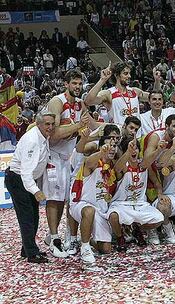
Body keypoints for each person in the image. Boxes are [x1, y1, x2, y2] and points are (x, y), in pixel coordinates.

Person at [43, 70, 96, 258]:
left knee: (69, 198)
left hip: (70, 156)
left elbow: (92, 126)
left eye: (79, 84)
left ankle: (58, 235)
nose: (77, 87)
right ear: (66, 84)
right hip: (53, 155)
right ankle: (55, 239)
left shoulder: (80, 104)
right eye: (74, 83)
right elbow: (54, 133)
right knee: (55, 198)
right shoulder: (57, 102)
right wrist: (78, 126)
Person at [5, 112, 55, 263]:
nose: (51, 127)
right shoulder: (32, 141)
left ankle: (27, 249)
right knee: (27, 217)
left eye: (52, 124)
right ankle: (32, 254)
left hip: (27, 180)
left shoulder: (43, 136)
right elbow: (26, 172)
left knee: (33, 216)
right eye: (47, 124)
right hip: (18, 179)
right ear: (38, 124)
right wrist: (36, 191)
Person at [69, 137, 118, 270]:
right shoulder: (92, 163)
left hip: (101, 209)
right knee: (89, 210)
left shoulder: (111, 167)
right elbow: (89, 162)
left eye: (115, 145)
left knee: (106, 249)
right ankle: (85, 248)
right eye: (109, 145)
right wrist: (101, 153)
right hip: (81, 204)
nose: (112, 148)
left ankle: (90, 240)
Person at [107, 139, 164, 251]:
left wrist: (158, 150)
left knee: (159, 219)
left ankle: (135, 228)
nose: (134, 150)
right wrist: (128, 151)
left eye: (136, 148)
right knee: (113, 216)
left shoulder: (143, 165)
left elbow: (150, 164)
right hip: (121, 204)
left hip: (140, 204)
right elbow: (117, 168)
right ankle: (120, 237)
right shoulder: (123, 166)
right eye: (131, 148)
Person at [84, 62, 161, 125]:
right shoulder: (108, 93)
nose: (129, 76)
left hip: (137, 137)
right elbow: (88, 101)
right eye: (125, 73)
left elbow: (155, 97)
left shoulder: (135, 91)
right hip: (119, 138)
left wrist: (157, 80)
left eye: (129, 73)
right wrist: (102, 80)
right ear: (117, 75)